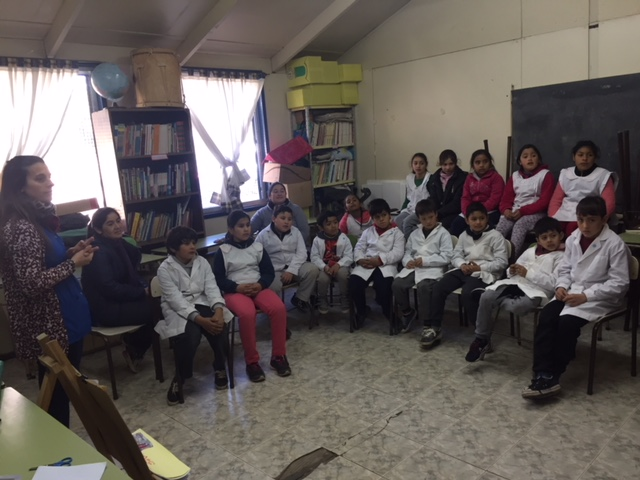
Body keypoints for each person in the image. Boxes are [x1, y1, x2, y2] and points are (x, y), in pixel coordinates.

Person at [0, 155, 96, 426]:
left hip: (63, 318)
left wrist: (70, 253)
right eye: (40, 178)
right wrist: (73, 264)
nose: (50, 183)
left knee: (63, 391)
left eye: (49, 177)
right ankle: (57, 446)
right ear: (20, 186)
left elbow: (43, 262)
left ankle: (59, 440)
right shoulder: (21, 226)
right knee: (57, 395)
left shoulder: (36, 218)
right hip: (51, 324)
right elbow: (31, 283)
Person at [522, 196, 630, 399]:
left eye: (591, 220)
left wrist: (586, 296)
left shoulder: (615, 244)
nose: (585, 226)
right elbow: (565, 269)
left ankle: (554, 375)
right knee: (547, 316)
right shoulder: (573, 238)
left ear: (604, 219)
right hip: (573, 291)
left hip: (600, 297)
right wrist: (561, 286)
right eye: (580, 220)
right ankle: (542, 372)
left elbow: (619, 284)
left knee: (566, 324)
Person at [466, 216, 565, 362]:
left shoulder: (561, 257)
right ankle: (481, 339)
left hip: (536, 291)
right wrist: (511, 270)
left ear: (561, 236)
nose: (549, 240)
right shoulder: (530, 251)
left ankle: (494, 300)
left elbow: (554, 283)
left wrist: (528, 273)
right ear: (538, 240)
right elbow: (514, 269)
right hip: (516, 284)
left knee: (519, 306)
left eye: (553, 236)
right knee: (486, 297)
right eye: (544, 238)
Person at [155, 226, 232, 405]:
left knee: (220, 328)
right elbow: (175, 300)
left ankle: (220, 367)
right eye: (186, 243)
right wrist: (201, 320)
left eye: (193, 242)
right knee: (191, 335)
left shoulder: (202, 262)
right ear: (173, 248)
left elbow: (212, 288)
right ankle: (180, 376)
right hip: (178, 309)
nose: (192, 247)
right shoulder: (164, 269)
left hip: (202, 301)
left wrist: (218, 310)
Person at [213, 210, 290, 383]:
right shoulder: (223, 251)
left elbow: (268, 272)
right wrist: (236, 287)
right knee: (247, 314)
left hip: (257, 287)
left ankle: (278, 356)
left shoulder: (257, 247)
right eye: (241, 226)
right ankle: (252, 362)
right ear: (231, 229)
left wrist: (260, 284)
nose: (246, 229)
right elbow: (218, 279)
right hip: (235, 290)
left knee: (278, 308)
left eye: (248, 225)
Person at [423, 202, 508, 348]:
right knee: (438, 287)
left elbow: (501, 262)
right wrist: (462, 264)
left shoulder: (496, 236)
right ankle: (435, 327)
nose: (478, 222)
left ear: (487, 219)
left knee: (469, 293)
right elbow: (456, 255)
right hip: (464, 269)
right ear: (467, 220)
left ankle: (481, 336)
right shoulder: (463, 235)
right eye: (474, 219)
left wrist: (479, 267)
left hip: (484, 272)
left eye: (481, 218)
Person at [81, 207, 153, 373]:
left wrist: (123, 240)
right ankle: (134, 348)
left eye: (118, 221)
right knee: (157, 309)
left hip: (119, 301)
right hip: (106, 308)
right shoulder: (98, 251)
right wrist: (141, 292)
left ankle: (134, 345)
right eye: (110, 224)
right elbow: (109, 288)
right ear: (99, 229)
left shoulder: (117, 244)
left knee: (161, 302)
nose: (117, 226)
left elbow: (134, 262)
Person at [392, 199, 454, 334]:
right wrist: (407, 261)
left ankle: (427, 323)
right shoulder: (415, 234)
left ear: (436, 214)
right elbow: (408, 252)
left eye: (430, 217)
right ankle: (407, 312)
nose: (428, 221)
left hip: (434, 268)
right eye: (424, 219)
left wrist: (425, 261)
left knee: (424, 287)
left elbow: (447, 256)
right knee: (397, 284)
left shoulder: (443, 233)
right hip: (415, 267)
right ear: (418, 218)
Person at [350, 198, 405, 328]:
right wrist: (360, 259)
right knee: (354, 283)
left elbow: (398, 253)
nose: (381, 219)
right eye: (377, 217)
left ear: (389, 215)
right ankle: (361, 311)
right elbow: (359, 248)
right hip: (367, 264)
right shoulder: (367, 232)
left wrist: (380, 260)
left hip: (385, 266)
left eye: (384, 215)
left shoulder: (397, 233)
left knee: (384, 287)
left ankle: (389, 313)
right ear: (372, 218)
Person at [255, 204, 319, 313]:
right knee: (271, 285)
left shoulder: (295, 231)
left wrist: (291, 270)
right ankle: (276, 310)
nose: (286, 222)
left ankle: (299, 298)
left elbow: (302, 253)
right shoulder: (263, 235)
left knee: (312, 270)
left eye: (290, 219)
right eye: (283, 218)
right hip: (274, 270)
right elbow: (257, 257)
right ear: (274, 218)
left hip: (294, 265)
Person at [548, 140, 617, 237]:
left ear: (595, 158)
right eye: (580, 155)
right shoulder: (566, 174)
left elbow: (609, 203)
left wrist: (600, 219)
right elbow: (556, 200)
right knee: (553, 229)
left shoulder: (603, 175)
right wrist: (552, 218)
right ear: (574, 157)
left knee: (573, 228)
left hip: (589, 215)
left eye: (589, 155)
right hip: (565, 213)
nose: (584, 159)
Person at [496, 144, 555, 256]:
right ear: (520, 161)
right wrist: (506, 210)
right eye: (525, 156)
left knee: (521, 224)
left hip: (536, 213)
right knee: (502, 226)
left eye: (533, 155)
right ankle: (493, 256)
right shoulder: (515, 176)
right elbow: (505, 199)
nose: (530, 159)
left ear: (539, 159)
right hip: (515, 211)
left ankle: (511, 257)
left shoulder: (545, 175)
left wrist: (523, 211)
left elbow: (544, 201)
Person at [449, 149, 505, 237]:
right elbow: (465, 197)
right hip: (470, 210)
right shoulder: (469, 178)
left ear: (490, 163)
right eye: (477, 162)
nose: (481, 165)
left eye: (485, 162)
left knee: (482, 229)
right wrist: (467, 212)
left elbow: (495, 198)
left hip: (489, 211)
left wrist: (480, 211)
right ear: (473, 165)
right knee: (456, 225)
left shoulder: (496, 178)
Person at [310, 210, 353, 314]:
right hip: (325, 267)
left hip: (340, 265)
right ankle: (322, 298)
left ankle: (344, 297)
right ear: (321, 227)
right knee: (322, 279)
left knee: (343, 275)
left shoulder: (344, 238)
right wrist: (324, 267)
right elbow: (314, 257)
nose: (333, 226)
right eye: (328, 224)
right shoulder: (317, 240)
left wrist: (339, 264)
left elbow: (349, 256)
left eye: (335, 222)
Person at [427, 149, 468, 231]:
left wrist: (439, 214)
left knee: (440, 226)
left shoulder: (462, 178)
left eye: (451, 164)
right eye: (444, 164)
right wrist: (432, 213)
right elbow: (433, 198)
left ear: (455, 163)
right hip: (437, 212)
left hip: (454, 213)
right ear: (440, 164)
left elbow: (457, 203)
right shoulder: (435, 178)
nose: (448, 167)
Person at [394, 153, 431, 239]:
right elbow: (407, 199)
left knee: (407, 222)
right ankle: (402, 241)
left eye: (421, 163)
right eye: (415, 163)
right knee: (397, 220)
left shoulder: (430, 178)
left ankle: (409, 243)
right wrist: (402, 211)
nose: (418, 166)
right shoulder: (409, 178)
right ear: (412, 165)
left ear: (426, 165)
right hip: (410, 208)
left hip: (422, 210)